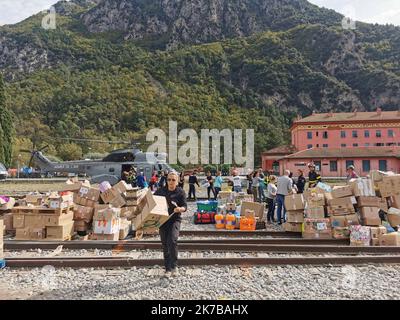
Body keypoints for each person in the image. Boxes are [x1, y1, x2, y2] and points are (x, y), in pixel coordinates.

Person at [154, 172, 187, 278]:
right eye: (169, 180)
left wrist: (180, 209)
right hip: (163, 220)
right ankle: (167, 269)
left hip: (174, 219)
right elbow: (152, 202)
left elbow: (185, 206)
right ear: (166, 180)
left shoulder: (180, 192)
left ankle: (174, 266)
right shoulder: (160, 191)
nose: (171, 182)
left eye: (173, 180)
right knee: (165, 244)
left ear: (177, 181)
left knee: (172, 241)